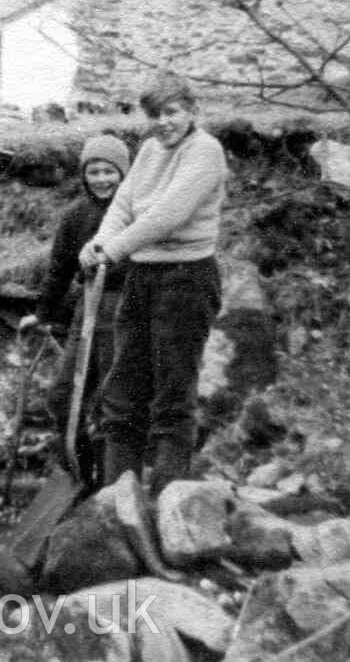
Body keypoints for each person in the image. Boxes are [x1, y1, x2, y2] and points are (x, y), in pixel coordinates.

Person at [79, 76, 227, 496]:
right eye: (155, 115)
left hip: (186, 280)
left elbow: (168, 214)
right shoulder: (147, 151)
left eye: (172, 112)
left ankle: (167, 501)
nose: (163, 123)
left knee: (172, 394)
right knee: (123, 390)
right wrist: (99, 242)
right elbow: (123, 204)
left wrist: (115, 250)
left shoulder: (205, 152)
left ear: (191, 112)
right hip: (142, 278)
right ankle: (115, 501)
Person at [18, 134, 132, 481]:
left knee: (114, 399)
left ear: (123, 173)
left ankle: (114, 483)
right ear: (83, 175)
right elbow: (59, 269)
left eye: (109, 171)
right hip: (87, 310)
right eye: (93, 171)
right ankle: (80, 475)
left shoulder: (139, 213)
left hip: (125, 309)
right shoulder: (75, 216)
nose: (101, 179)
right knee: (63, 397)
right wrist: (42, 314)